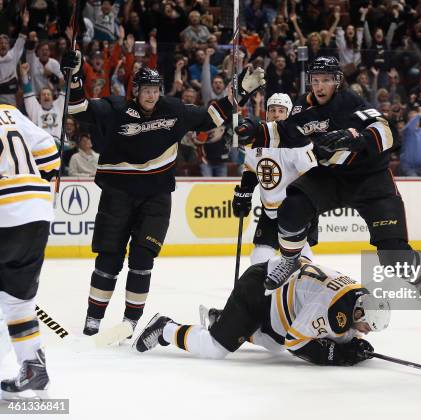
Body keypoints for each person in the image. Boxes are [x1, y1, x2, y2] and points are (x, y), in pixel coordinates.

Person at [62, 50, 265, 336]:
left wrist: (240, 92)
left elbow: (210, 118)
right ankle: (94, 318)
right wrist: (74, 78)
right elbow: (78, 109)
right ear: (135, 91)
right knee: (109, 259)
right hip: (117, 194)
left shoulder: (173, 109)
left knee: (143, 259)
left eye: (155, 90)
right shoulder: (115, 108)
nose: (151, 95)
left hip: (156, 197)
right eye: (146, 90)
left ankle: (130, 321)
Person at [238, 56, 421, 313]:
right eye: (315, 81)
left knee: (392, 254)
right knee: (292, 207)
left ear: (337, 81)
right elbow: (283, 133)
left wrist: (353, 137)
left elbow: (388, 132)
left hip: (371, 180)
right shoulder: (303, 107)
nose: (320, 86)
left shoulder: (351, 102)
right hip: (332, 176)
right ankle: (290, 259)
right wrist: (253, 130)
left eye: (325, 80)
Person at [134, 257, 390, 366]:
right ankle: (165, 328)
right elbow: (297, 344)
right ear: (357, 314)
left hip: (277, 293)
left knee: (275, 344)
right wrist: (343, 355)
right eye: (367, 327)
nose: (366, 332)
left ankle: (226, 321)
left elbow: (328, 331)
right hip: (260, 289)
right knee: (214, 350)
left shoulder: (357, 297)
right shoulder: (334, 309)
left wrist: (351, 343)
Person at [0, 103, 60, 399]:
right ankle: (32, 367)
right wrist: (44, 182)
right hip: (36, 207)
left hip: (4, 209)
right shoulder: (9, 111)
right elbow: (49, 149)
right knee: (17, 301)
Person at [233, 93, 318, 265]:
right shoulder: (257, 140)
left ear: (288, 114)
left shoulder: (297, 142)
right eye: (272, 110)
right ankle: (267, 291)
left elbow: (312, 177)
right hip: (270, 210)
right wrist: (244, 193)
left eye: (281, 110)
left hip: (296, 210)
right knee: (259, 258)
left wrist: (307, 208)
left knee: (298, 258)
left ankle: (300, 286)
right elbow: (251, 169)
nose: (276, 114)